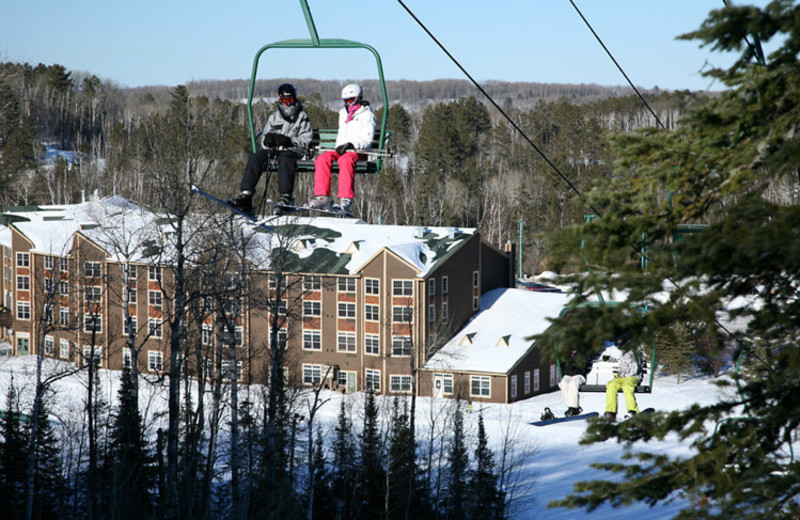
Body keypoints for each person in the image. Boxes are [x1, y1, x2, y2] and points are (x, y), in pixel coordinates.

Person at [228, 83, 313, 216]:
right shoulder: (274, 117)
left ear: (295, 99)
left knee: (285, 159)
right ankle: (246, 196)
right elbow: (264, 139)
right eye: (285, 100)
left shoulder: (302, 116)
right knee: (256, 158)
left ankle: (286, 197)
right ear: (280, 100)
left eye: (290, 100)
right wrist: (269, 141)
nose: (288, 104)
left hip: (294, 151)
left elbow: (306, 139)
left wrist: (290, 141)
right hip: (276, 150)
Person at [306, 83, 376, 215]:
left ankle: (345, 199)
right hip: (341, 149)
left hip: (357, 151)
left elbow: (367, 139)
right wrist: (340, 147)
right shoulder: (343, 113)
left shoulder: (367, 115)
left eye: (351, 100)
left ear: (358, 98)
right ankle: (322, 197)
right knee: (322, 158)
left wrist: (351, 144)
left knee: (345, 160)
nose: (348, 104)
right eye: (345, 101)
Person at [603, 348, 642, 420]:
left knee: (627, 386)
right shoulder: (621, 353)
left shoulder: (635, 352)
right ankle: (611, 411)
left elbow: (635, 368)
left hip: (633, 377)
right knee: (611, 385)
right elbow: (619, 360)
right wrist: (609, 358)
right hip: (621, 377)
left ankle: (633, 410)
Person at [559, 349, 588, 417]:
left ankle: (574, 408)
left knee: (573, 384)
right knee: (563, 384)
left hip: (579, 375)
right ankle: (570, 406)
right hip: (568, 375)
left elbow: (583, 364)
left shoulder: (582, 352)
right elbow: (562, 364)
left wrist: (573, 364)